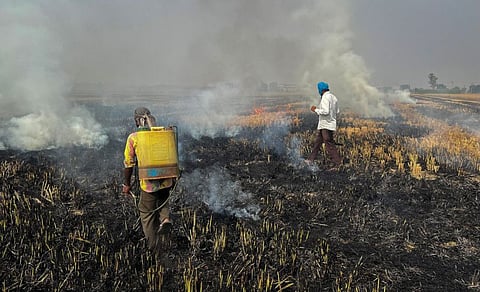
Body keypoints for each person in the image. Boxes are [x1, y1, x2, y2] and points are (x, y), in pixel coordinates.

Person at [122, 107, 173, 251]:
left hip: (149, 183)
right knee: (163, 199)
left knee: (147, 214)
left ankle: (154, 247)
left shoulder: (134, 138)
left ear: (137, 121)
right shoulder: (163, 133)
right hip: (167, 179)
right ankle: (165, 218)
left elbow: (129, 164)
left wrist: (127, 184)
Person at [307, 81, 342, 169]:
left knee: (329, 143)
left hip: (326, 125)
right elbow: (337, 111)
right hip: (328, 124)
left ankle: (337, 162)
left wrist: (316, 110)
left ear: (321, 90)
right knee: (318, 143)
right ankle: (310, 160)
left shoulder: (325, 97)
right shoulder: (334, 97)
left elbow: (325, 111)